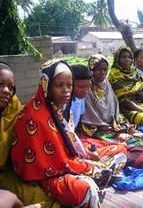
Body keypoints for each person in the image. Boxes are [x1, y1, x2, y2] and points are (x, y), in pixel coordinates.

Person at [11, 60, 127, 207]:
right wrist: (83, 165)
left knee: (120, 151)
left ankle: (99, 174)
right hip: (46, 176)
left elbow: (71, 144)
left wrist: (84, 157)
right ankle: (98, 176)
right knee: (85, 189)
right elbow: (40, 165)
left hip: (68, 161)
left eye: (69, 85)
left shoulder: (58, 109)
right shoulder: (34, 116)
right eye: (59, 85)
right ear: (47, 86)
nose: (66, 90)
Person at [0, 62, 59, 207]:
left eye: (11, 87)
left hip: (8, 174)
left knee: (45, 198)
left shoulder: (15, 111)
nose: (6, 90)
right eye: (0, 84)